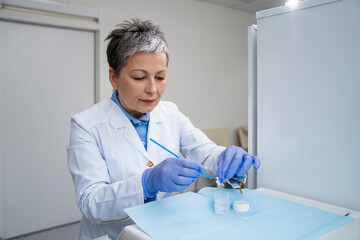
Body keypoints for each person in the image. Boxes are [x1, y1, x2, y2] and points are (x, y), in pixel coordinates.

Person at [67, 18, 260, 240]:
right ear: (114, 77)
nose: (152, 89)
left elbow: (205, 152)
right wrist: (146, 183)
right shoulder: (86, 125)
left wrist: (226, 156)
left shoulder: (170, 113)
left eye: (160, 77)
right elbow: (91, 202)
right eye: (139, 77)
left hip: (166, 230)